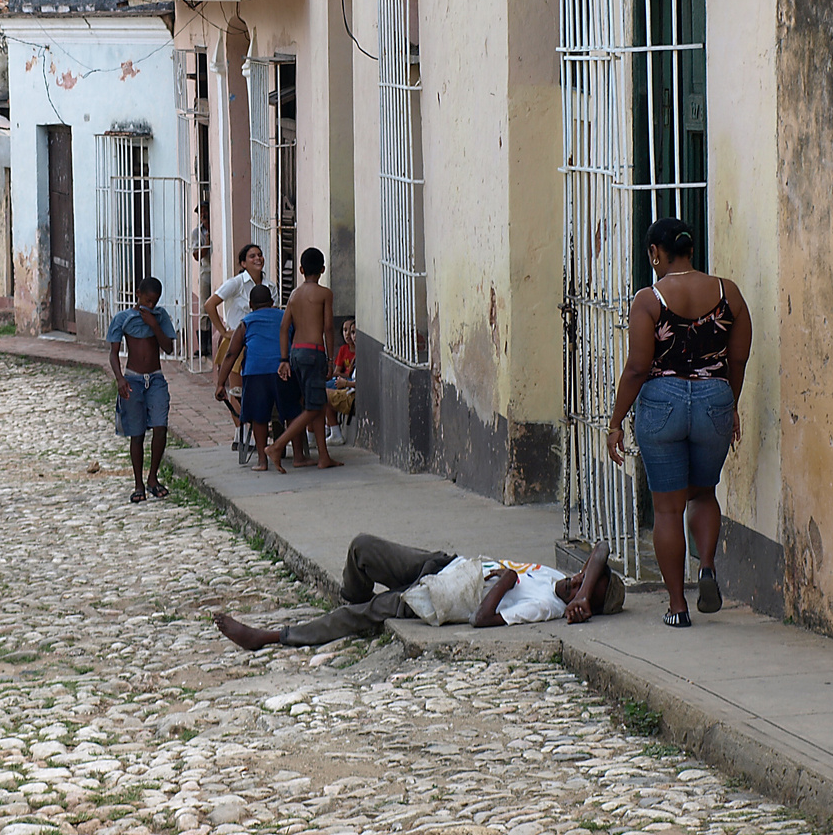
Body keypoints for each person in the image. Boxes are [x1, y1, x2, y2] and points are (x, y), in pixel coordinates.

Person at [606, 217, 752, 629]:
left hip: (661, 405)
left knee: (667, 509)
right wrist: (730, 406)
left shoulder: (649, 300)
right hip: (715, 401)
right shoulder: (729, 293)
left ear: (655, 253)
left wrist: (616, 421)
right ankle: (706, 565)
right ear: (690, 249)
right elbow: (737, 360)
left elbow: (637, 368)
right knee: (703, 493)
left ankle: (677, 606)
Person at [215, 534, 625, 649]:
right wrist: (586, 590)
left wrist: (504, 582)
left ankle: (270, 638)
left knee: (368, 613)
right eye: (583, 575)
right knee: (362, 548)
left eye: (581, 589)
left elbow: (482, 619)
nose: (575, 583)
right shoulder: (561, 575)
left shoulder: (544, 607)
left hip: (442, 596)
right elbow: (603, 548)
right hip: (447, 564)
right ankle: (353, 603)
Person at [214, 284, 306, 470]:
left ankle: (262, 461)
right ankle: (298, 457)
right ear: (272, 302)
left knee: (259, 417)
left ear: (250, 304)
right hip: (283, 369)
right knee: (292, 413)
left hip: (255, 373)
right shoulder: (284, 317)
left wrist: (220, 384)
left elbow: (231, 354)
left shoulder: (246, 322)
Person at [266, 248, 340, 471]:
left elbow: (283, 328)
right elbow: (328, 327)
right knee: (314, 408)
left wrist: (283, 359)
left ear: (300, 270)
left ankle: (323, 456)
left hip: (296, 353)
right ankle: (277, 446)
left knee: (314, 403)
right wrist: (330, 359)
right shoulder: (325, 294)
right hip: (314, 353)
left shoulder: (294, 295)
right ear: (323, 270)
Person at [107, 277, 177, 503]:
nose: (150, 305)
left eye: (154, 302)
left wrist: (154, 325)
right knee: (136, 434)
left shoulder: (160, 317)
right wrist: (119, 379)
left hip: (155, 379)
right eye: (147, 300)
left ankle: (153, 478)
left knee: (160, 427)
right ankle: (138, 484)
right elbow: (114, 352)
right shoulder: (123, 319)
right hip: (133, 380)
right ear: (138, 294)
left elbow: (168, 347)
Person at [204, 243, 272, 425]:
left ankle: (257, 426)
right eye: (252, 256)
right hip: (237, 341)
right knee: (237, 388)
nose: (258, 258)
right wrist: (223, 331)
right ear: (243, 263)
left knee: (257, 387)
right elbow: (210, 304)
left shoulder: (270, 286)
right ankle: (239, 432)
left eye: (260, 254)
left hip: (260, 343)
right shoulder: (236, 283)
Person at [324, 318, 356, 446]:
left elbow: (351, 377)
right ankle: (328, 428)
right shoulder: (343, 349)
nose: (348, 335)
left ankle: (330, 430)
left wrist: (345, 381)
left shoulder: (359, 353)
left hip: (349, 384)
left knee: (320, 392)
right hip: (342, 381)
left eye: (353, 331)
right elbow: (336, 372)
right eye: (345, 330)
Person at [188, 204, 211, 359]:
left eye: (205, 212)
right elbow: (197, 255)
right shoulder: (197, 233)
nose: (203, 215)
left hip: (213, 270)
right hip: (205, 272)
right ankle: (203, 346)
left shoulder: (214, 228)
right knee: (204, 307)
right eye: (201, 213)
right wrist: (206, 243)